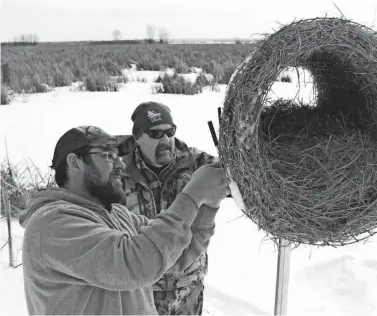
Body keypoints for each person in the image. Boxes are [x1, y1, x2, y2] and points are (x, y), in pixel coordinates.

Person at [19, 125, 228, 315]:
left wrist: (209, 202)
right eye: (108, 155)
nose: (121, 165)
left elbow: (175, 254)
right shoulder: (50, 224)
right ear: (75, 162)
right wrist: (193, 195)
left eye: (118, 156)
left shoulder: (118, 215)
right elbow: (136, 263)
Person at [121, 101, 221, 315]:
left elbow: (235, 178)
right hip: (140, 292)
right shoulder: (117, 173)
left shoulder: (195, 163)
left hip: (188, 288)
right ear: (138, 137)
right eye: (155, 133)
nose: (166, 140)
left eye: (170, 131)